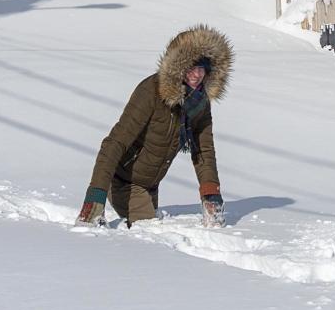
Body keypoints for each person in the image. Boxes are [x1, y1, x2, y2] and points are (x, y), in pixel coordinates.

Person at [77, 25, 231, 228]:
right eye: (191, 67)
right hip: (123, 181)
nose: (197, 75)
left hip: (151, 186)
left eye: (202, 68)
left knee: (154, 226)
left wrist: (211, 195)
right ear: (178, 67)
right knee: (149, 231)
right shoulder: (151, 91)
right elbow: (114, 143)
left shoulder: (199, 102)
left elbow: (203, 150)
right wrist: (95, 199)